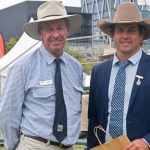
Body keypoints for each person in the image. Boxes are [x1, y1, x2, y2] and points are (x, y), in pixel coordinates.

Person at [0, 1, 83, 150]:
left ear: (67, 31)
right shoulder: (22, 67)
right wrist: (15, 146)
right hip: (35, 146)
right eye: (49, 29)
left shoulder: (76, 67)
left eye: (60, 28)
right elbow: (8, 114)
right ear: (40, 33)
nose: (56, 34)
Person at [87, 2, 150, 150]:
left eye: (131, 30)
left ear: (141, 35)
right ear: (112, 35)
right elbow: (93, 119)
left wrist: (147, 141)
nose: (125, 36)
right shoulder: (98, 72)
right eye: (120, 30)